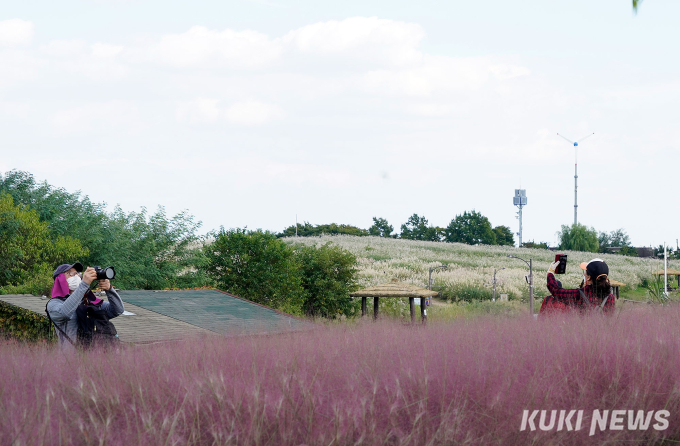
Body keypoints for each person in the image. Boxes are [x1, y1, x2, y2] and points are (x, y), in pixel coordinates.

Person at [46, 262, 125, 351]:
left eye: (77, 274)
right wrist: (84, 284)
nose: (76, 276)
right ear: (60, 279)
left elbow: (117, 310)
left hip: (94, 359)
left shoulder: (89, 302)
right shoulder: (54, 304)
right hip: (70, 360)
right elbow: (65, 312)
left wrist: (109, 289)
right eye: (70, 273)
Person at [544, 258, 615, 314]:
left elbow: (556, 292)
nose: (584, 273)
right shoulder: (610, 297)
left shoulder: (580, 294)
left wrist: (550, 273)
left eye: (585, 271)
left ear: (588, 277)